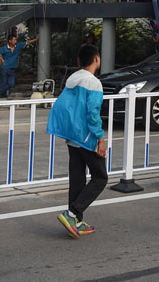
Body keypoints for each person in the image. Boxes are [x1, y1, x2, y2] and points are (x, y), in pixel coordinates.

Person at [46, 44, 107, 238]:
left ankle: (77, 221)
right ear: (96, 59)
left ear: (79, 61)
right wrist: (101, 139)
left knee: (78, 179)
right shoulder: (93, 83)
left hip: (71, 137)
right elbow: (93, 115)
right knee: (100, 177)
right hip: (86, 137)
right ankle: (72, 214)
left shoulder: (72, 80)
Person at [0, 32, 38, 98]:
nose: (15, 41)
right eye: (14, 40)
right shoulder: (4, 48)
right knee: (3, 83)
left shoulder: (18, 46)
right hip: (4, 68)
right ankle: (3, 95)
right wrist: (1, 59)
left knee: (11, 83)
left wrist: (36, 39)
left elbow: (28, 42)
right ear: (10, 41)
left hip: (12, 68)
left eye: (16, 40)